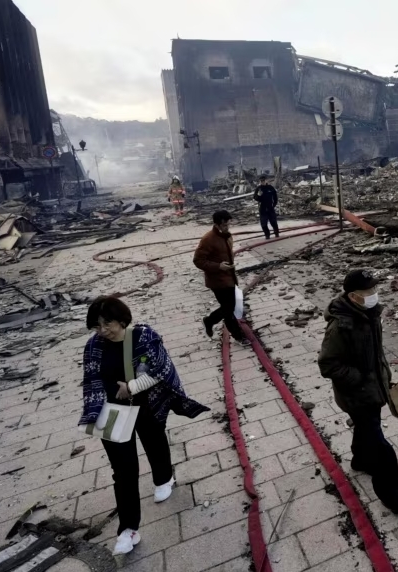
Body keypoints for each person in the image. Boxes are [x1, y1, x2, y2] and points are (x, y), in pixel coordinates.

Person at [78, 296, 209, 555]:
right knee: (123, 470)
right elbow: (91, 380)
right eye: (97, 325)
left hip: (147, 403)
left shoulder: (143, 337)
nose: (102, 330)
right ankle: (128, 529)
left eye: (107, 324)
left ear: (122, 320)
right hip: (112, 411)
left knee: (154, 442)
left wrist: (132, 386)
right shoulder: (93, 346)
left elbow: (161, 369)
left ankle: (164, 478)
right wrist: (94, 411)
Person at [317, 269, 398, 514]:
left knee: (367, 428)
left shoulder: (369, 313)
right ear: (353, 296)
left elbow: (374, 352)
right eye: (367, 292)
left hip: (373, 389)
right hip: (356, 394)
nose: (373, 295)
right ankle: (392, 496)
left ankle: (360, 460)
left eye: (374, 290)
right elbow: (327, 364)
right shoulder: (341, 326)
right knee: (382, 449)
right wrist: (360, 378)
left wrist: (383, 376)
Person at [194, 210, 245, 342]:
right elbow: (198, 261)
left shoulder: (227, 235)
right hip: (217, 281)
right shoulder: (208, 239)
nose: (227, 228)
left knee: (229, 308)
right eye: (224, 226)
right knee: (229, 308)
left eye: (228, 225)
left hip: (229, 277)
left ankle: (237, 335)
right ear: (217, 225)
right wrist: (218, 266)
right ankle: (212, 322)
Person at [252, 174, 279, 239]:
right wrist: (259, 196)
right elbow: (255, 197)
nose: (262, 182)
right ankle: (267, 235)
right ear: (259, 181)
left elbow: (275, 196)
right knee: (263, 224)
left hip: (270, 208)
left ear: (266, 181)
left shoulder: (270, 188)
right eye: (261, 181)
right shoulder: (258, 189)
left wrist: (274, 204)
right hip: (263, 209)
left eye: (263, 181)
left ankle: (276, 233)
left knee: (273, 222)